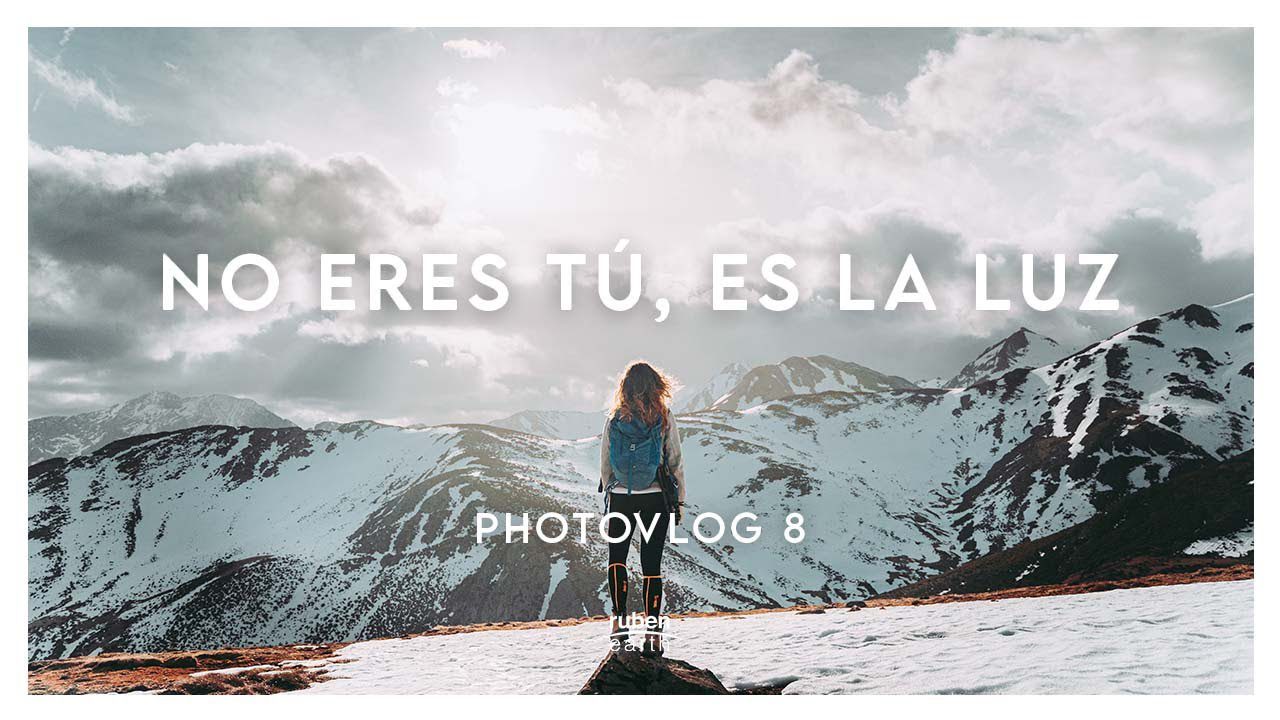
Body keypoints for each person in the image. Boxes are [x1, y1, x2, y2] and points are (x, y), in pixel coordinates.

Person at [599, 361, 685, 657]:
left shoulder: (614, 419)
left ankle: (619, 626)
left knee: (617, 560)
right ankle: (653, 634)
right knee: (651, 566)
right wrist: (679, 500)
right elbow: (674, 460)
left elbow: (605, 463)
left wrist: (612, 491)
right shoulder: (663, 417)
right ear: (656, 386)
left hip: (621, 498)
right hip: (654, 498)